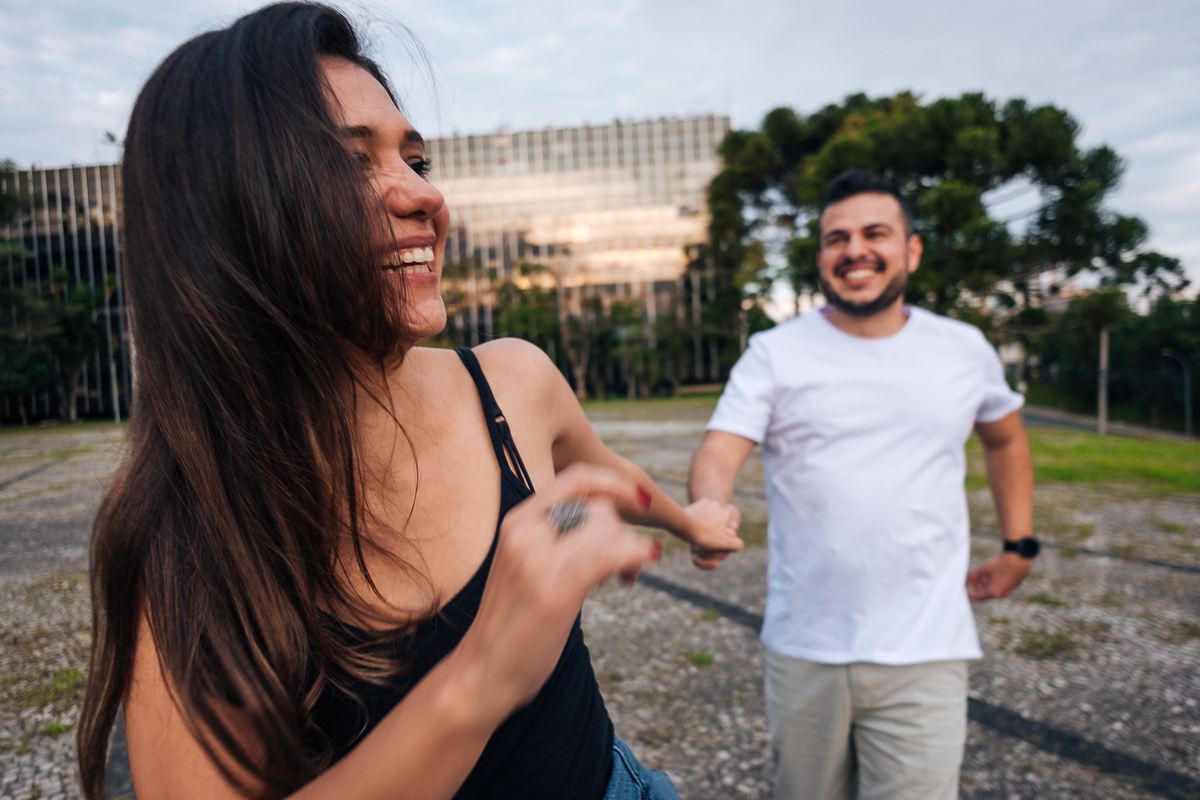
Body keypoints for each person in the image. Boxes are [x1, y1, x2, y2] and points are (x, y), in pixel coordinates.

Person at [76, 5, 743, 799]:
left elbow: (607, 475)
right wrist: (481, 678)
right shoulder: (190, 526)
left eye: (415, 159)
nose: (423, 196)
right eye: (348, 164)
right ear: (229, 217)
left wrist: (689, 520)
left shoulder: (513, 382)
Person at [688, 168, 1037, 799]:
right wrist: (710, 506)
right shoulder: (775, 351)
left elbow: (1005, 437)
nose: (854, 250)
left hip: (927, 647)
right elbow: (722, 444)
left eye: (875, 233)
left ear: (912, 248)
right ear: (821, 256)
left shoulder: (963, 348)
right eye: (835, 238)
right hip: (806, 647)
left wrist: (1020, 546)